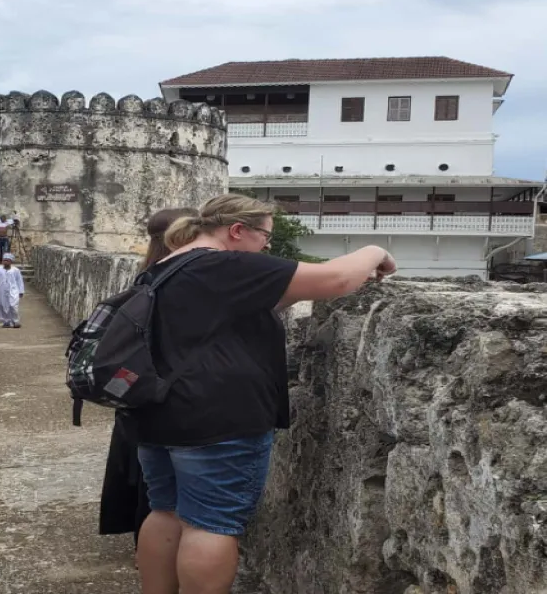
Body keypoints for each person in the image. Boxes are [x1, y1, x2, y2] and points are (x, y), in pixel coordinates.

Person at [134, 193, 396, 594]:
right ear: (238, 231)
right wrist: (376, 249)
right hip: (218, 418)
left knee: (165, 512)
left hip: (157, 411)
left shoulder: (166, 265)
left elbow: (229, 315)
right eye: (265, 237)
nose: (267, 247)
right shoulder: (227, 264)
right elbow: (338, 280)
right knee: (213, 524)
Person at [98, 206, 200, 555]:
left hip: (135, 393)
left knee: (148, 480)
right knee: (164, 487)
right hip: (165, 394)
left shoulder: (146, 276)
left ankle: (146, 551)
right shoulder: (179, 280)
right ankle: (159, 554)